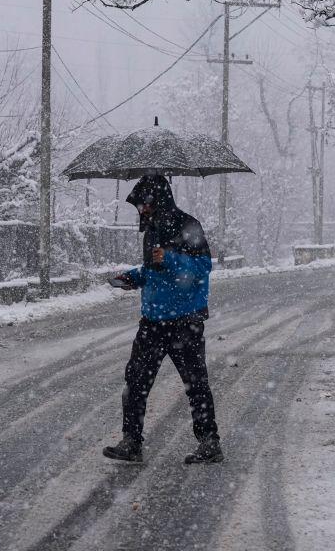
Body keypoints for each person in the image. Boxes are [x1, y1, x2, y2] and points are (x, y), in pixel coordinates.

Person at [102, 174, 223, 464]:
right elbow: (154, 271)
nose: (141, 210)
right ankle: (131, 442)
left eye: (144, 204)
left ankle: (210, 443)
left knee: (196, 384)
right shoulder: (152, 231)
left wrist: (169, 258)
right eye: (139, 206)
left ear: (158, 200)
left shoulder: (188, 225)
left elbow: (202, 267)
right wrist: (133, 277)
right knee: (135, 381)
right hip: (153, 321)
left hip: (185, 321)